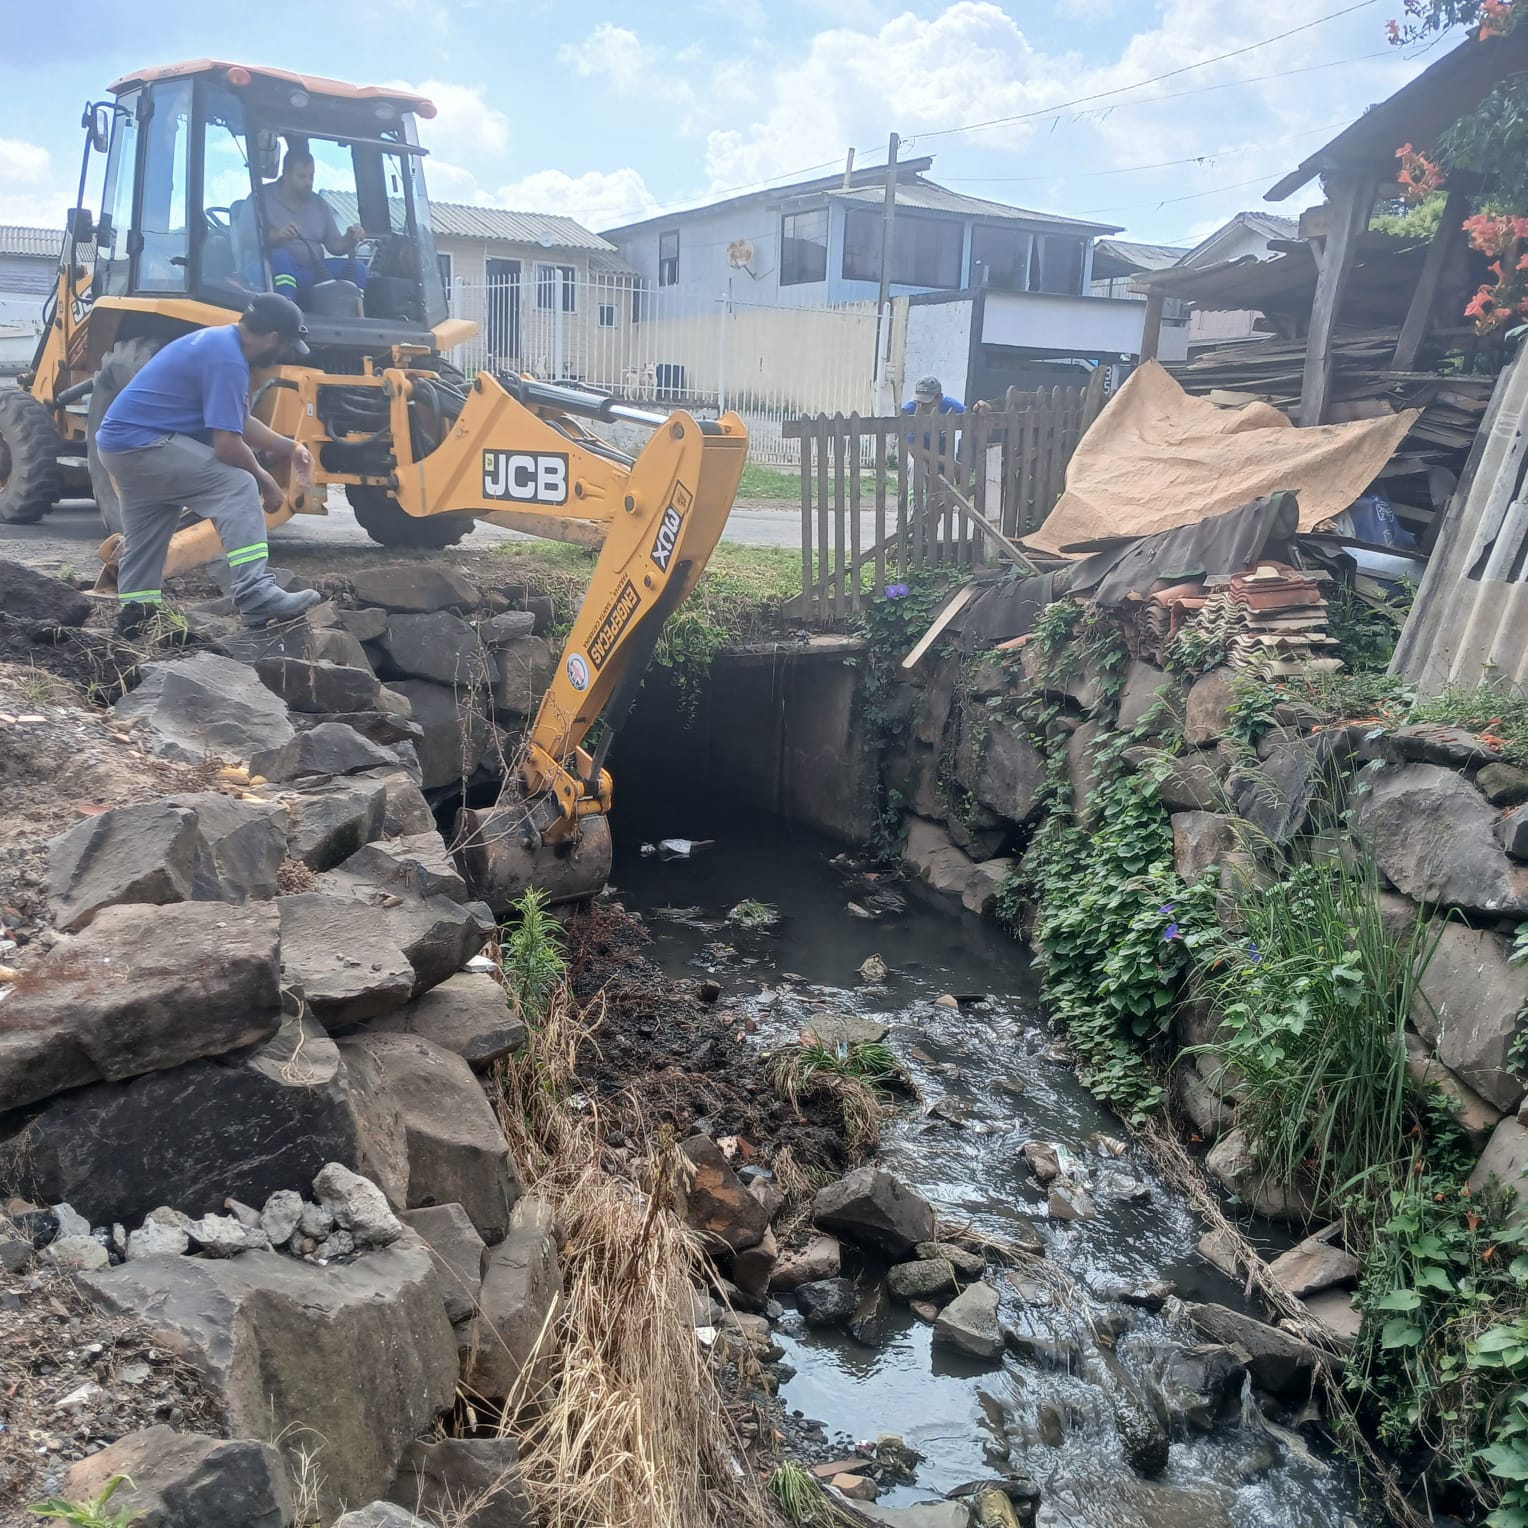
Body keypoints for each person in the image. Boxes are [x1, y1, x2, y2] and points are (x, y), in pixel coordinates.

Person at [95, 294, 324, 635]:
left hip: (120, 447)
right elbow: (228, 445)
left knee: (148, 533)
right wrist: (265, 480)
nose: (284, 353)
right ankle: (255, 591)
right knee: (238, 485)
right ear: (274, 339)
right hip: (144, 445)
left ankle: (136, 617)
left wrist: (292, 448)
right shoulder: (227, 359)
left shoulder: (218, 343)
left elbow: (239, 421)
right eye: (287, 345)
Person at [260, 148, 368, 300]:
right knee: (281, 258)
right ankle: (285, 313)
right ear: (285, 174)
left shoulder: (319, 204)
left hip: (311, 270)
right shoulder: (261, 198)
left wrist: (350, 238)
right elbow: (247, 239)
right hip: (268, 271)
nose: (308, 182)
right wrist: (277, 235)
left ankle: (355, 317)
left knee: (358, 270)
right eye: (301, 176)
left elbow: (334, 246)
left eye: (311, 176)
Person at [902, 375, 965, 455]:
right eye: (918, 401)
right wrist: (947, 462)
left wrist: (979, 407)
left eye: (926, 402)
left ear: (939, 397)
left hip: (942, 452)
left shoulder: (949, 405)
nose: (921, 405)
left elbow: (969, 415)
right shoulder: (908, 410)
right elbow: (912, 449)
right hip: (916, 456)